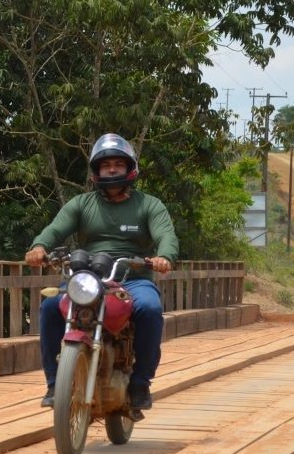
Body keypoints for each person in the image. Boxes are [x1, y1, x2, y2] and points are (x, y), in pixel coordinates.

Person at [24, 133, 179, 409]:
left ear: (129, 168)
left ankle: (141, 383)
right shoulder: (82, 204)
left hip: (133, 279)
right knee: (50, 306)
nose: (112, 169)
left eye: (118, 164)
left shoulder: (149, 205)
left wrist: (164, 257)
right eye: (106, 165)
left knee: (151, 309)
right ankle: (53, 384)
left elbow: (166, 235)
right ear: (96, 170)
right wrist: (39, 247)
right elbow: (55, 229)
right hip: (89, 277)